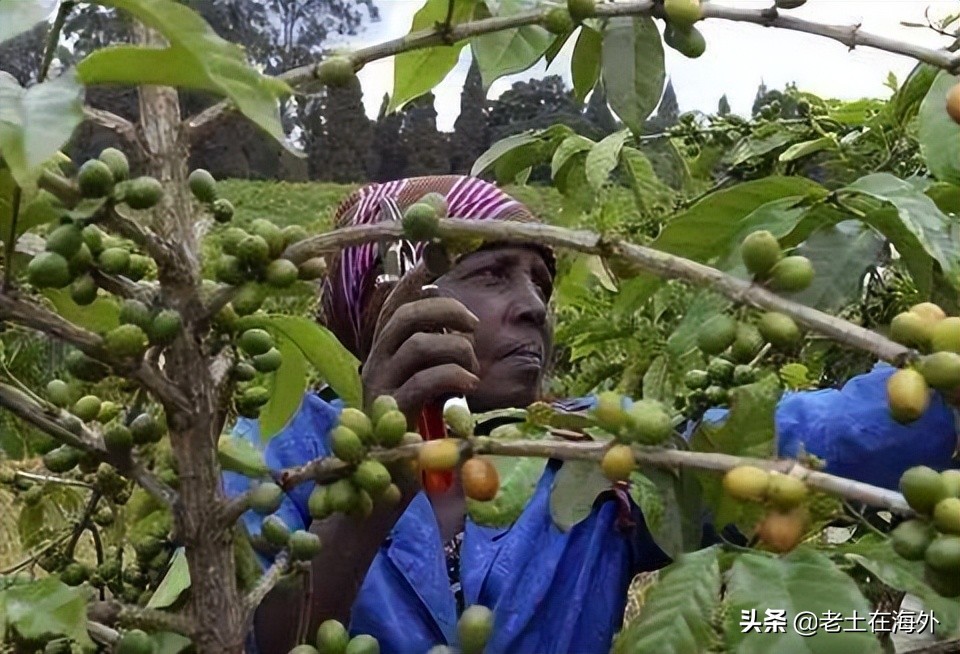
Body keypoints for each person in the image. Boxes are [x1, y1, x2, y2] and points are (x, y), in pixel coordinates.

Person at [223, 175, 959, 654]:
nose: (534, 304)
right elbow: (254, 638)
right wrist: (381, 476)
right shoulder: (274, 450)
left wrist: (941, 378)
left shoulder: (586, 449)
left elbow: (793, 442)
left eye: (541, 279)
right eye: (491, 272)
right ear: (391, 299)